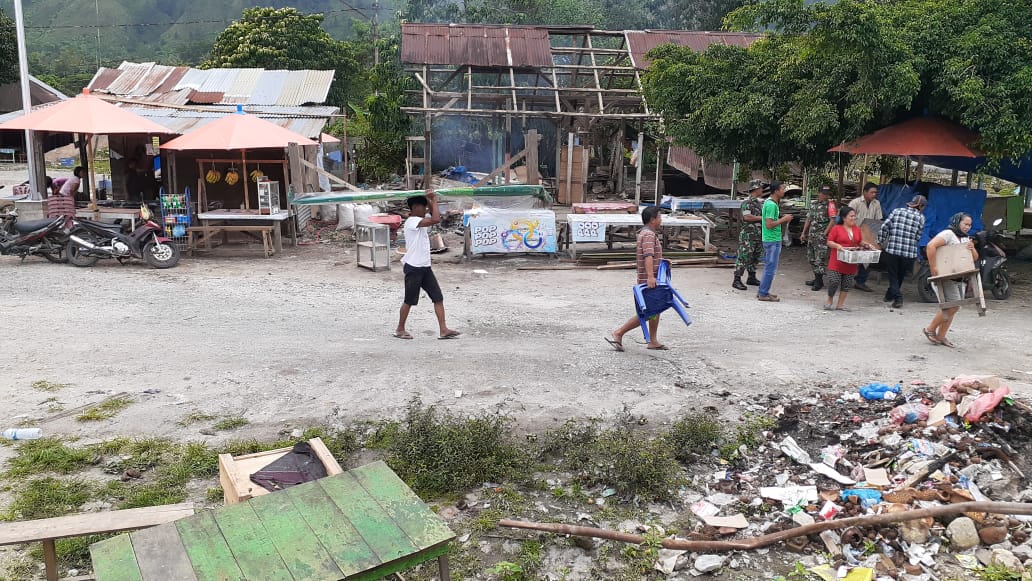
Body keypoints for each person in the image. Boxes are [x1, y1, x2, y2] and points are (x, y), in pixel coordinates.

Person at [394, 189, 461, 340]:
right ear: (416, 207)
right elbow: (436, 219)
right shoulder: (412, 222)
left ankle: (443, 329)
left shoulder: (419, 221)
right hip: (414, 267)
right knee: (409, 300)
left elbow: (433, 214)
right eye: (423, 207)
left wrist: (429, 199)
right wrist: (434, 200)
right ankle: (399, 329)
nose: (426, 210)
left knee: (438, 297)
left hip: (424, 266)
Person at [608, 205, 667, 351]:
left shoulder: (647, 233)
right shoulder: (648, 235)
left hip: (651, 278)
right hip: (648, 280)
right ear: (653, 220)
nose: (661, 220)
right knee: (648, 312)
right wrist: (650, 277)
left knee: (656, 309)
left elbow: (652, 256)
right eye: (659, 217)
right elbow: (648, 256)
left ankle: (653, 340)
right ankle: (618, 332)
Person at [923, 212, 978, 348]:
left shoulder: (966, 238)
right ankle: (930, 329)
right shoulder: (948, 234)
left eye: (969, 225)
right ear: (957, 222)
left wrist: (972, 249)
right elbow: (930, 246)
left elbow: (975, 258)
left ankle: (941, 336)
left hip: (960, 277)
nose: (967, 227)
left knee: (954, 307)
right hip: (946, 276)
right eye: (965, 224)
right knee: (952, 306)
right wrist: (933, 268)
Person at [878, 195, 927, 308]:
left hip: (893, 250)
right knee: (900, 275)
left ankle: (893, 295)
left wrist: (880, 241)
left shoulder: (897, 211)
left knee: (893, 275)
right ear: (921, 206)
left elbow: (885, 227)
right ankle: (894, 296)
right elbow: (918, 236)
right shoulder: (921, 218)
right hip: (908, 253)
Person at [823, 207, 875, 311]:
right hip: (837, 260)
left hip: (851, 261)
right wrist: (838, 246)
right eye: (851, 216)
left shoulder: (856, 229)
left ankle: (840, 305)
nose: (854, 218)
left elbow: (859, 241)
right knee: (834, 281)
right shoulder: (836, 228)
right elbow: (829, 242)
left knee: (847, 283)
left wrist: (867, 245)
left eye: (854, 216)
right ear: (844, 218)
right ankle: (830, 300)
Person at [758, 181, 792, 302]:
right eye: (783, 189)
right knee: (770, 268)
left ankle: (763, 291)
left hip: (770, 239)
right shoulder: (772, 205)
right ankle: (763, 293)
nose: (784, 191)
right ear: (776, 191)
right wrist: (784, 219)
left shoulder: (769, 203)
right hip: (772, 240)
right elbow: (769, 224)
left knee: (769, 266)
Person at [848, 183, 883, 292]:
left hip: (869, 234)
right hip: (854, 233)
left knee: (868, 258)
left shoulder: (876, 203)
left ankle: (860, 282)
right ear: (865, 192)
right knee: (851, 258)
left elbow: (878, 220)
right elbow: (847, 218)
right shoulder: (855, 202)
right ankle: (846, 280)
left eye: (875, 192)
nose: (874, 194)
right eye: (872, 192)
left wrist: (875, 238)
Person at [732, 179, 765, 290]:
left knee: (755, 257)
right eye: (761, 187)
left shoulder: (758, 202)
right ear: (755, 188)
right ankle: (736, 279)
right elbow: (747, 217)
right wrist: (763, 218)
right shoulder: (747, 202)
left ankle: (751, 277)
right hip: (748, 235)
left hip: (757, 235)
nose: (762, 189)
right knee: (744, 257)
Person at [801, 185, 836, 291]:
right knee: (811, 258)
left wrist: (825, 233)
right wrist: (803, 233)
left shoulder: (830, 205)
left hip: (821, 237)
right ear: (819, 193)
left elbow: (832, 220)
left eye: (827, 193)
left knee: (820, 259)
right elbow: (808, 219)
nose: (825, 195)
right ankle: (816, 278)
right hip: (812, 235)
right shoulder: (814, 204)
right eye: (823, 193)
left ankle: (819, 282)